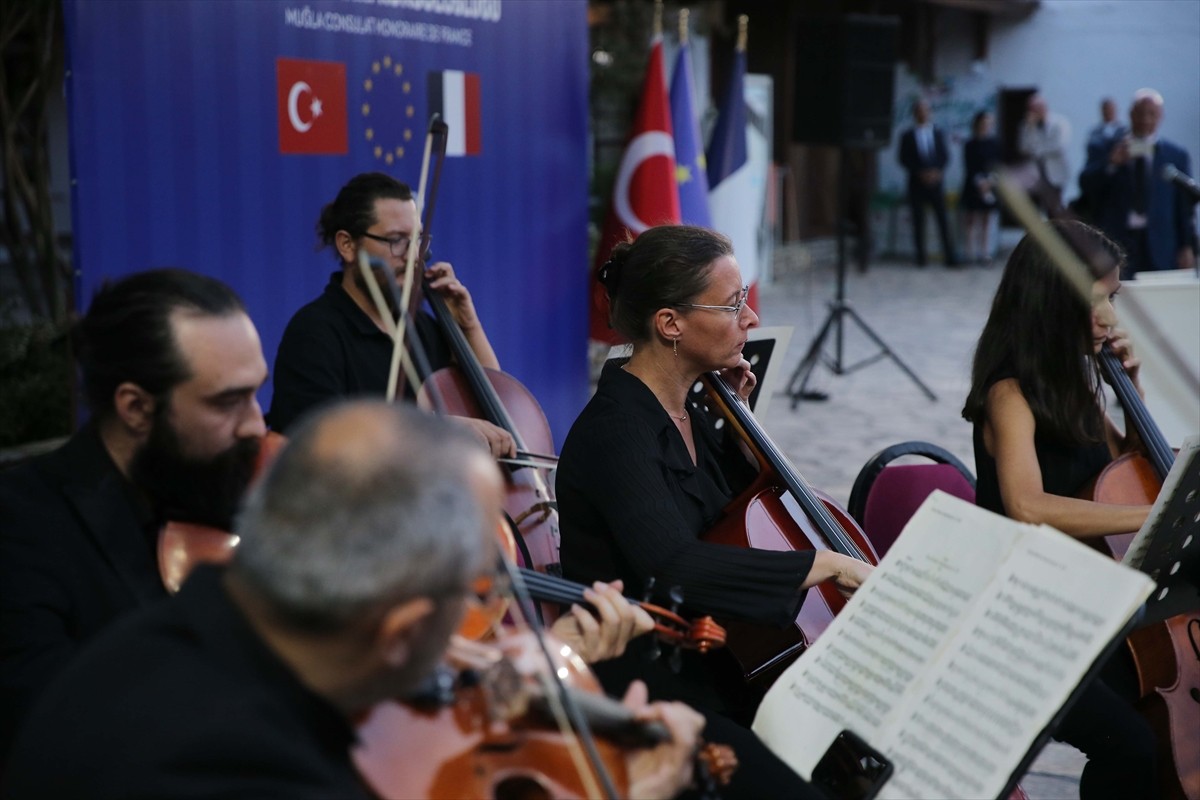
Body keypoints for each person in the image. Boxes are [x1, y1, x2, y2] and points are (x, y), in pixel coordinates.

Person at [3, 401, 704, 799]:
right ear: (398, 631)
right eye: (471, 597)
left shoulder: (160, 642)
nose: (477, 647)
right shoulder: (246, 769)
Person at [557, 224, 873, 798]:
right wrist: (827, 565)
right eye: (732, 306)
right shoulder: (616, 431)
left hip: (718, 652)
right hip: (649, 677)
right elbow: (675, 564)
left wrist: (741, 422)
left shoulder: (695, 409)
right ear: (670, 324)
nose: (750, 319)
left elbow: (740, 519)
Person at [0, 268, 269, 764]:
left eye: (256, 393)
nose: (257, 424)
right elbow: (53, 730)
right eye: (228, 402)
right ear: (136, 408)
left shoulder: (228, 485)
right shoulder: (20, 526)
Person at [961, 219, 1157, 800]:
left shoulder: (1073, 379)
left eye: (1112, 300)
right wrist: (1151, 520)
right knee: (1132, 745)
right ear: (1054, 301)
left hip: (1079, 601)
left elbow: (1125, 476)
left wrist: (1134, 390)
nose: (1109, 317)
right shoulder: (1009, 393)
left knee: (1147, 731)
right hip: (1021, 620)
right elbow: (1027, 505)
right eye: (1095, 301)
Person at [268, 171, 515, 457]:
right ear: (347, 245)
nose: (413, 255)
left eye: (419, 239)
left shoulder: (422, 329)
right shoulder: (315, 332)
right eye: (397, 240)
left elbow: (496, 410)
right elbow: (318, 443)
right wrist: (435, 428)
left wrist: (468, 326)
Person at [1080, 88, 1197, 276]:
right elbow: (1085, 185)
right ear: (1131, 114)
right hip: (1117, 240)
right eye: (1141, 113)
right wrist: (1111, 164)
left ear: (1161, 116)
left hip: (1161, 242)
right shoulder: (1104, 147)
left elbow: (1183, 206)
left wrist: (1186, 245)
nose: (1145, 120)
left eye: (1152, 114)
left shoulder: (1175, 155)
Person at [898, 99, 959, 267]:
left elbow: (944, 156)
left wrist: (936, 172)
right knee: (918, 220)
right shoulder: (907, 135)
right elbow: (904, 158)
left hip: (936, 183)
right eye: (920, 111)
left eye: (926, 110)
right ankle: (920, 257)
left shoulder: (938, 133)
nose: (923, 114)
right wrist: (920, 172)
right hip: (916, 183)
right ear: (915, 114)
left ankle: (949, 256)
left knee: (942, 220)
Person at [1017, 93, 1072, 213]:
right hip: (1035, 173)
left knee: (1054, 208)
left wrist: (1038, 150)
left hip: (1055, 173)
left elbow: (1059, 145)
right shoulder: (1027, 126)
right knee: (1033, 209)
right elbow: (1024, 148)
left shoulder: (1059, 123)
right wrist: (1030, 128)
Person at [960, 110, 1001, 264]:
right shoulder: (970, 144)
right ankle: (969, 252)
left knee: (986, 220)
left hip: (989, 185)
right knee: (970, 219)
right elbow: (969, 166)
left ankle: (984, 252)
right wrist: (979, 182)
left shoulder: (994, 144)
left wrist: (989, 181)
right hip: (973, 184)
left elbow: (997, 165)